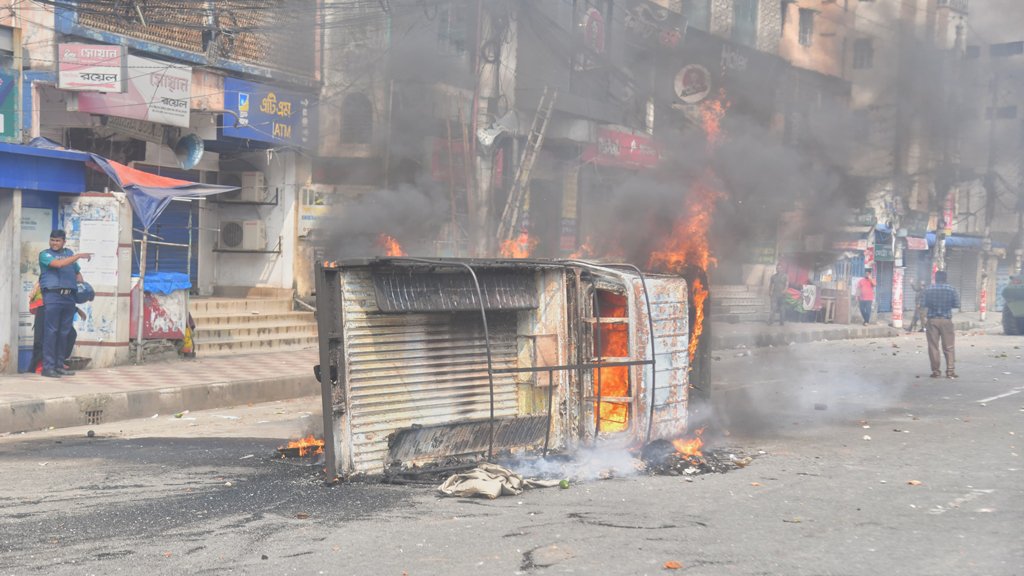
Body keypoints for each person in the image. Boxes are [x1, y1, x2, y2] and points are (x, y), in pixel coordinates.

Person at [38, 229, 91, 378]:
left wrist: (83, 285)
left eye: (58, 240)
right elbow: (59, 264)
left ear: (63, 242)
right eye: (52, 240)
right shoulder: (45, 255)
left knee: (64, 333)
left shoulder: (68, 254)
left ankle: (59, 365)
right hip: (53, 296)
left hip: (69, 298)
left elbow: (77, 273)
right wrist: (78, 256)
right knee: (51, 332)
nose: (54, 243)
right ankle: (48, 368)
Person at [922, 270, 960, 379]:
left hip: (932, 320)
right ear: (946, 278)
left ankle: (936, 372)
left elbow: (923, 304)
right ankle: (950, 371)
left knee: (933, 346)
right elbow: (957, 304)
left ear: (935, 278)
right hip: (946, 320)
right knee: (949, 347)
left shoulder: (928, 289)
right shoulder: (951, 289)